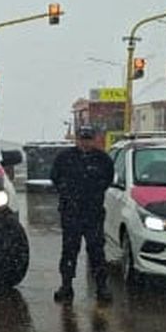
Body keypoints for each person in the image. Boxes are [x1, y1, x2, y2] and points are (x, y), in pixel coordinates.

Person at [50, 125, 115, 303]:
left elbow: (107, 179)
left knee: (96, 250)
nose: (85, 143)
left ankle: (101, 286)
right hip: (71, 212)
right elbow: (55, 177)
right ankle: (66, 285)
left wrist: (92, 193)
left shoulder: (103, 159)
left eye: (88, 139)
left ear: (94, 140)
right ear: (77, 139)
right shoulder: (65, 158)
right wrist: (68, 193)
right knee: (70, 250)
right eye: (82, 139)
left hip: (93, 213)